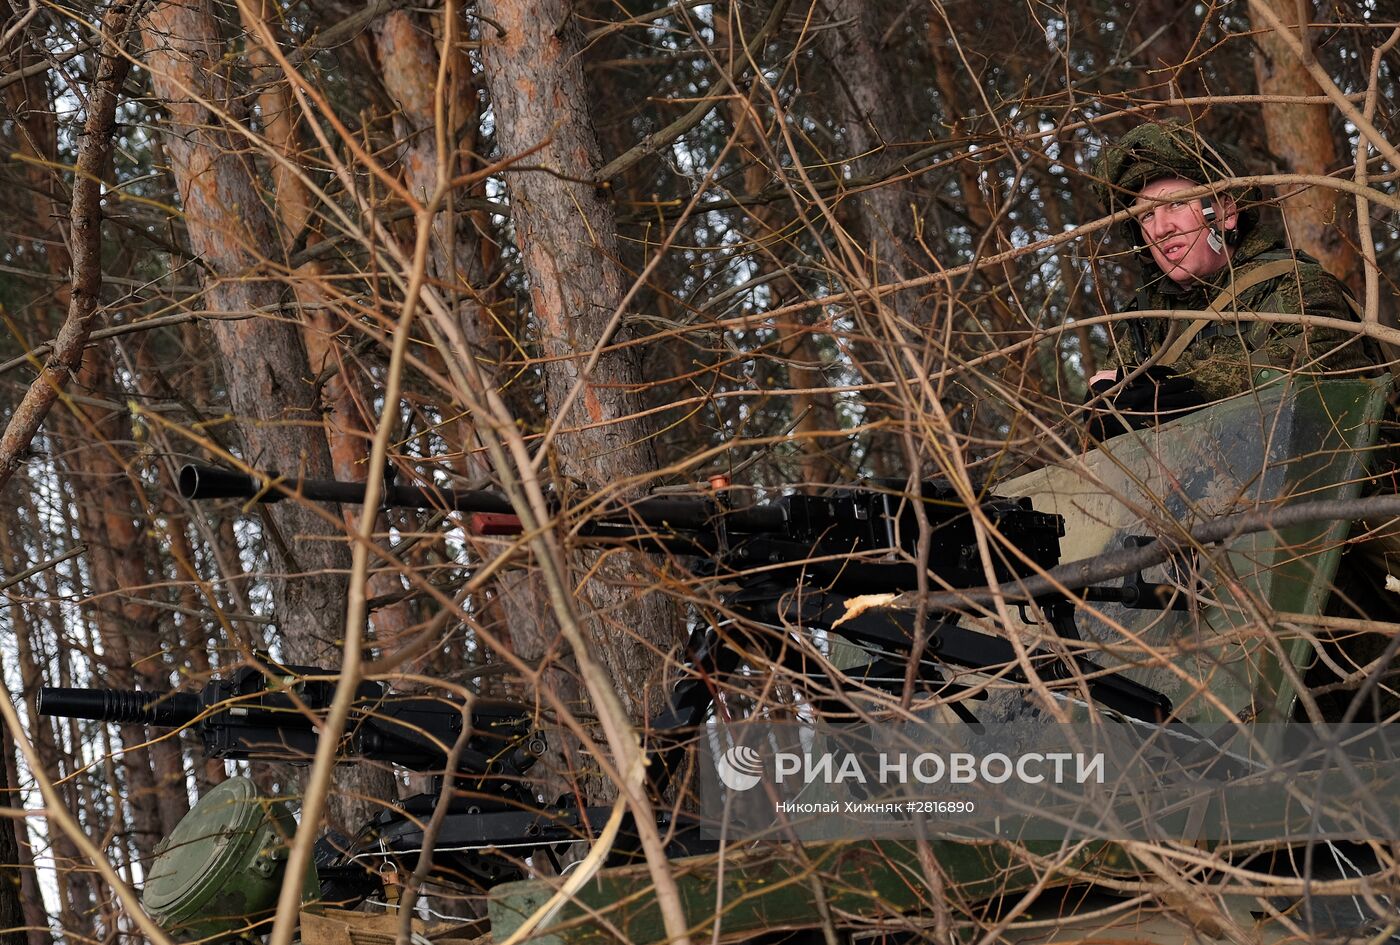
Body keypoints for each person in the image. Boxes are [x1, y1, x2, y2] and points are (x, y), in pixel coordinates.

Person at [1084, 119, 1379, 436]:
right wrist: (1101, 415)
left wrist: (1184, 388)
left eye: (1176, 204)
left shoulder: (1293, 282)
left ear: (1225, 212)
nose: (1160, 228)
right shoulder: (1144, 322)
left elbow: (1313, 366)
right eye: (1146, 215)